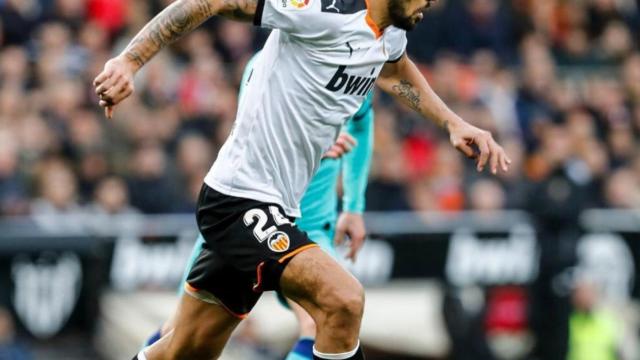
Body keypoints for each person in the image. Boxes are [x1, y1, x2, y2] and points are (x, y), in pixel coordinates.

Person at [94, 0, 511, 358]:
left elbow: (396, 70)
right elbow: (215, 1)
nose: (430, 3)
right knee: (343, 300)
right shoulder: (321, 9)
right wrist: (131, 60)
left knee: (188, 348)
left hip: (277, 208)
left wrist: (453, 123)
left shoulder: (390, 33)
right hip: (240, 200)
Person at [143, 53, 374, 360]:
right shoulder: (267, 64)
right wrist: (315, 143)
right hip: (253, 217)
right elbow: (252, 136)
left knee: (326, 317)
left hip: (312, 227)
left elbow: (363, 121)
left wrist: (354, 207)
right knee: (180, 337)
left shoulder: (356, 64)